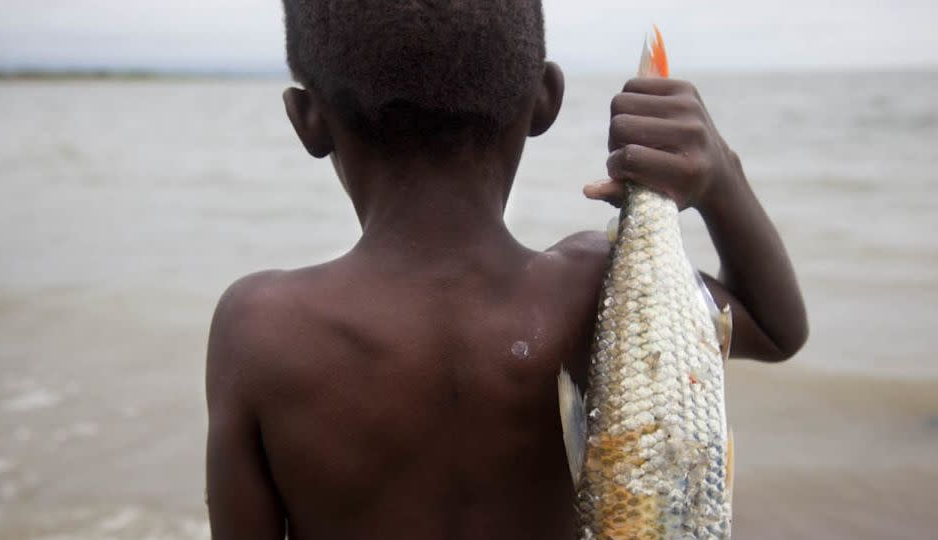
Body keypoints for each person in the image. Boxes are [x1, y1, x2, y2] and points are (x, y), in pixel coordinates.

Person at [205, 1, 808, 538]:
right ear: (545, 99)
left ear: (306, 119)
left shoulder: (259, 330)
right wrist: (719, 174)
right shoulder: (591, 286)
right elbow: (776, 328)